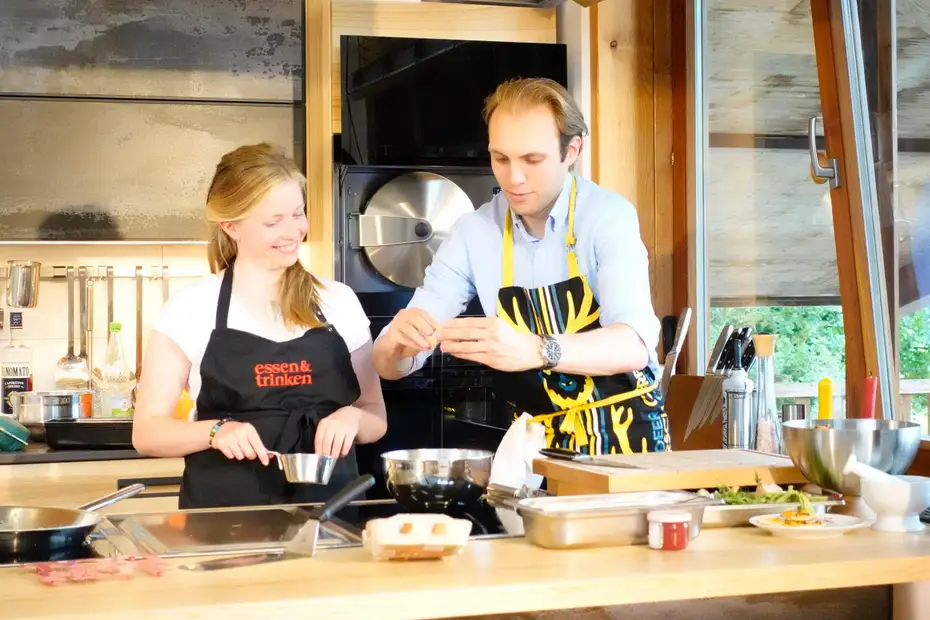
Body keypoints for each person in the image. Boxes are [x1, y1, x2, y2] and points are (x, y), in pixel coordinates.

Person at [372, 78, 670, 462]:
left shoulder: (608, 216)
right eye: (500, 158)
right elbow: (390, 365)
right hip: (532, 450)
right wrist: (398, 342)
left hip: (627, 442)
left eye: (532, 160)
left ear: (571, 151)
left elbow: (634, 344)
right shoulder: (474, 232)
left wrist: (535, 349)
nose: (513, 178)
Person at [133, 143, 387, 509]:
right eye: (273, 221)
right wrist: (216, 431)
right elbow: (148, 433)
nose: (294, 231)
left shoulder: (339, 301)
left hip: (331, 520)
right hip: (223, 525)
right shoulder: (189, 308)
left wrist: (353, 417)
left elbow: (375, 416)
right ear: (230, 225)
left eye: (298, 213)